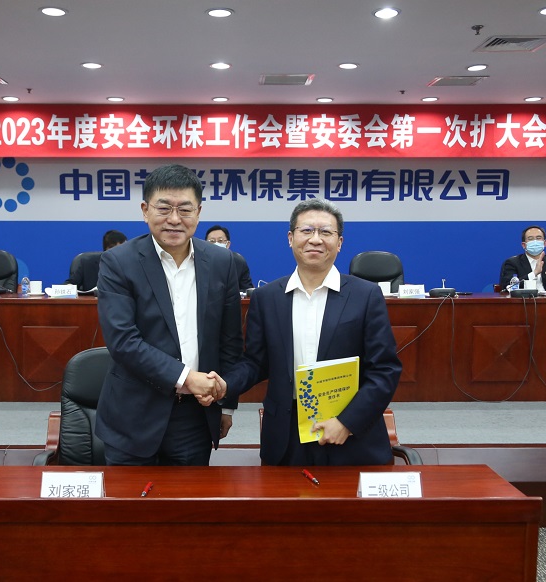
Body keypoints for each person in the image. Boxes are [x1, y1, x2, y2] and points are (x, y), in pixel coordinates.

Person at [219, 198, 401, 466]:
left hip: (350, 433)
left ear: (339, 242)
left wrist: (347, 422)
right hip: (286, 434)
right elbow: (256, 362)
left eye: (325, 232)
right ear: (290, 238)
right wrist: (224, 385)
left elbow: (385, 369)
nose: (315, 239)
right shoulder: (266, 298)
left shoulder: (366, 296)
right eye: (306, 230)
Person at [95, 164, 243, 466]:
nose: (174, 219)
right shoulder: (118, 262)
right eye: (164, 208)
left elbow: (229, 340)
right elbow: (123, 341)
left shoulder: (223, 262)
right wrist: (186, 377)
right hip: (134, 412)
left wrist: (226, 405)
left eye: (185, 210)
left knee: (188, 497)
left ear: (198, 212)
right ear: (145, 210)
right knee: (129, 496)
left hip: (195, 414)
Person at [498, 225, 546, 291]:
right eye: (530, 239)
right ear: (524, 245)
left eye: (538, 238)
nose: (535, 241)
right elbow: (507, 288)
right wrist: (534, 273)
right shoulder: (512, 263)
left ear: (545, 243)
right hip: (525, 300)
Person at [205, 224, 253, 291]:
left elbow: (247, 290)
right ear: (205, 244)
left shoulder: (238, 262)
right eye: (212, 241)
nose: (216, 244)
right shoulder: (199, 261)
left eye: (220, 241)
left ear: (227, 244)